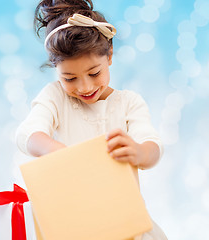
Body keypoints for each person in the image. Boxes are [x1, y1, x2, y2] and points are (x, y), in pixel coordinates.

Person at [16, 0, 167, 239]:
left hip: (125, 225)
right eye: (69, 78)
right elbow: (27, 135)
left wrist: (139, 152)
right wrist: (62, 154)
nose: (84, 87)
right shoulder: (55, 98)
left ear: (109, 55)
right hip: (75, 225)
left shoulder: (128, 103)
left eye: (94, 73)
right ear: (56, 70)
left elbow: (153, 146)